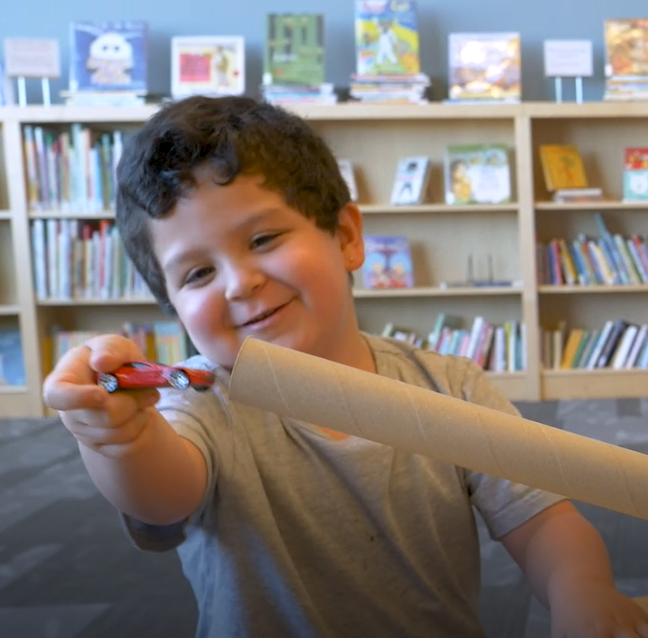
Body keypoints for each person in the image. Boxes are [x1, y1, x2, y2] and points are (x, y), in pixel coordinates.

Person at [43, 95, 648, 638]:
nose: (240, 283)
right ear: (173, 306)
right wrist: (120, 440)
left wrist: (583, 590)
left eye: (263, 240)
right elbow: (162, 497)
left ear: (348, 237)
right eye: (198, 274)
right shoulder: (198, 401)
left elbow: (544, 523)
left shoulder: (451, 387)